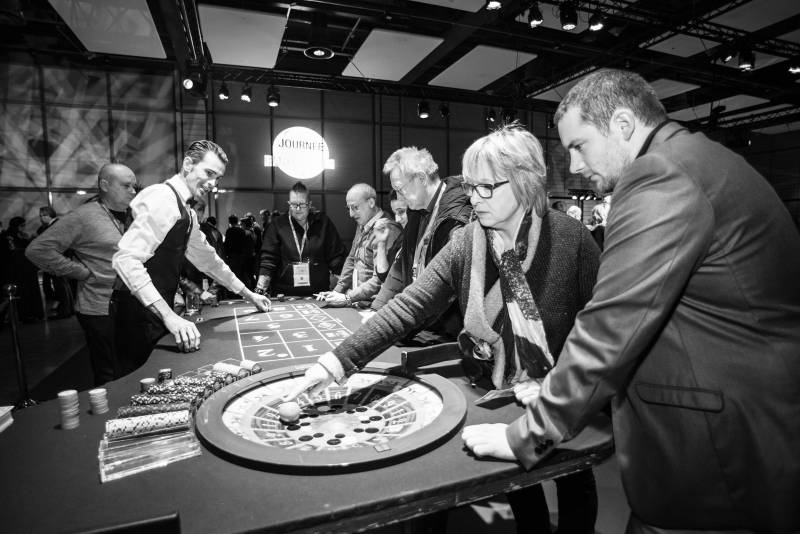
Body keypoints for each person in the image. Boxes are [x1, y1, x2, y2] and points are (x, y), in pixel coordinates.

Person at [460, 70, 800, 532]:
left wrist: (529, 433)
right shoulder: (699, 158)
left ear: (622, 125)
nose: (574, 165)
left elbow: (612, 324)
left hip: (718, 457)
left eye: (579, 145)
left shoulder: (660, 174)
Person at [286, 124, 601, 533]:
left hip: (569, 399)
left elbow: (606, 329)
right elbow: (407, 307)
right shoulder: (468, 241)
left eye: (486, 186)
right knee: (524, 490)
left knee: (575, 483)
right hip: (502, 389)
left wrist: (558, 383)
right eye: (471, 186)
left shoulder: (572, 239)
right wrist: (334, 364)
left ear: (525, 182)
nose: (474, 197)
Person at [112, 140, 270, 376]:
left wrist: (248, 294)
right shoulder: (162, 198)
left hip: (154, 310)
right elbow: (126, 260)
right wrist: (170, 317)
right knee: (139, 389)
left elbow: (208, 260)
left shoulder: (187, 211)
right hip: (136, 314)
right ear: (188, 164)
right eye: (208, 173)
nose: (213, 183)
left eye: (217, 178)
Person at [26, 164, 137, 384]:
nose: (133, 191)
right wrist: (82, 273)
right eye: (126, 185)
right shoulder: (83, 216)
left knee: (130, 366)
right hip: (98, 306)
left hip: (130, 303)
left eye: (134, 185)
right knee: (108, 371)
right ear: (104, 185)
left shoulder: (133, 215)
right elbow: (37, 250)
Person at [371, 147, 472, 341]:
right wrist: (378, 309)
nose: (399, 197)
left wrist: (401, 328)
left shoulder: (456, 219)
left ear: (421, 179)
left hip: (445, 331)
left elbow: (445, 289)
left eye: (400, 189)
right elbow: (402, 266)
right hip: (422, 321)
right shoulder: (416, 211)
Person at [317, 184, 402, 307]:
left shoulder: (387, 229)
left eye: (355, 207)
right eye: (349, 208)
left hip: (375, 304)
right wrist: (336, 292)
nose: (351, 214)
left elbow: (380, 279)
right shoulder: (362, 223)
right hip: (359, 301)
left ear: (371, 202)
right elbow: (352, 258)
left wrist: (348, 298)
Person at [255, 182, 346, 297]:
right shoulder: (277, 225)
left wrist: (343, 289)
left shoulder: (323, 223)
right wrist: (260, 290)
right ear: (289, 203)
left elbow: (336, 258)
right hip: (284, 293)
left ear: (309, 204)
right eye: (293, 204)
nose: (297, 209)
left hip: (319, 293)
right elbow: (268, 260)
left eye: (302, 204)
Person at [0, 216, 44, 322]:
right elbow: (12, 251)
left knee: (28, 292)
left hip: (23, 268)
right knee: (25, 293)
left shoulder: (16, 235)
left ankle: (31, 314)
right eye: (22, 225)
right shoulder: (8, 236)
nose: (24, 227)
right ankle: (28, 315)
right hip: (20, 269)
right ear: (17, 226)